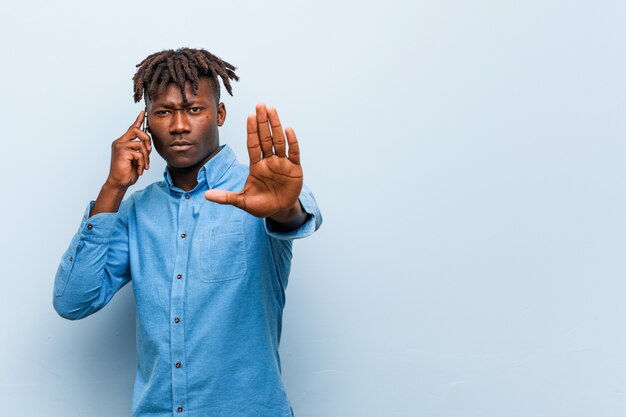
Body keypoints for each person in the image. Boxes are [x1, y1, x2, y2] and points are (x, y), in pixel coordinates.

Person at [52, 47, 322, 417]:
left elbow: (294, 216)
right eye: (163, 112)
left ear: (219, 114)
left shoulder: (260, 187)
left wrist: (283, 207)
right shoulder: (135, 211)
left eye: (194, 109)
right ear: (146, 123)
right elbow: (72, 301)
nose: (179, 125)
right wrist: (113, 188)